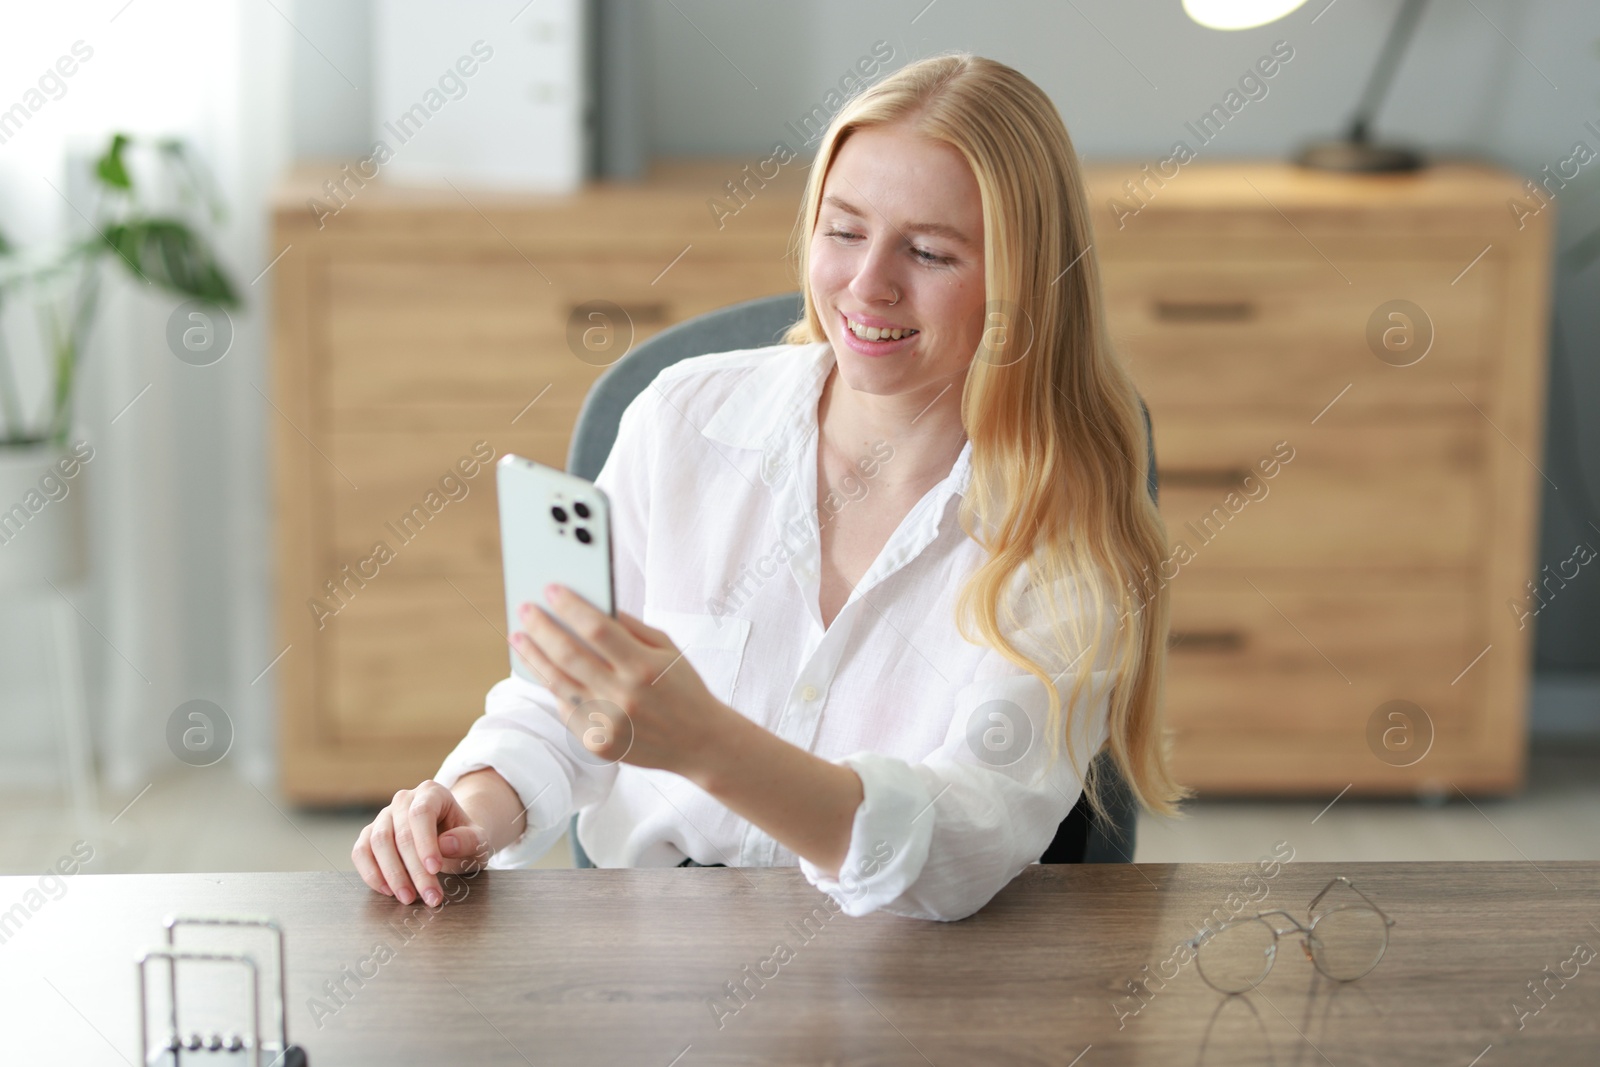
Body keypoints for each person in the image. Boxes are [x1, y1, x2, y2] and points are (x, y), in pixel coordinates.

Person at [352, 51, 1187, 922]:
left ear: (1024, 286)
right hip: (657, 957)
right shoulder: (682, 418)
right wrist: (471, 811)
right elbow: (562, 707)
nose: (868, 285)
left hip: (918, 974)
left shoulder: (1067, 520)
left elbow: (963, 840)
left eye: (931, 252)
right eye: (844, 230)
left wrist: (710, 745)